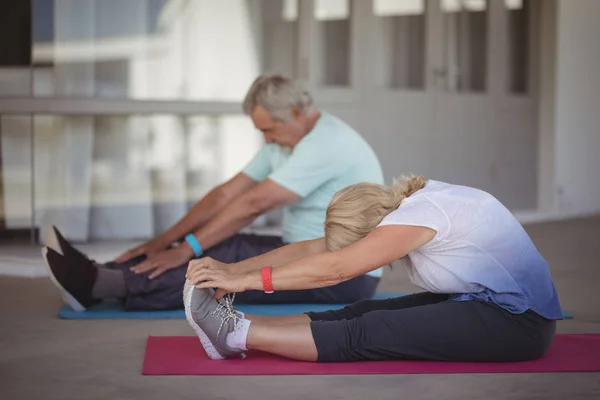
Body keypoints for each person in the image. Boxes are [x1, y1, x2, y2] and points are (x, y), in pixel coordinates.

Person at [41, 74, 384, 312]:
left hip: (345, 274)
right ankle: (105, 271)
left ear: (295, 113)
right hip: (303, 252)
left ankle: (100, 285)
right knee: (213, 243)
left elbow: (252, 204)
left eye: (268, 129)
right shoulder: (285, 139)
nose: (265, 139)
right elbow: (225, 195)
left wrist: (187, 249)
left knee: (224, 254)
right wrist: (164, 241)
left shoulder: (327, 143)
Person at [183, 176, 563, 362]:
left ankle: (235, 334)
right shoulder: (406, 204)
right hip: (486, 303)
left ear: (370, 234)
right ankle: (238, 320)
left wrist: (245, 280)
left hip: (519, 324)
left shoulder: (419, 217)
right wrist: (230, 269)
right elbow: (311, 249)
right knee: (363, 311)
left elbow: (335, 269)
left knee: (369, 332)